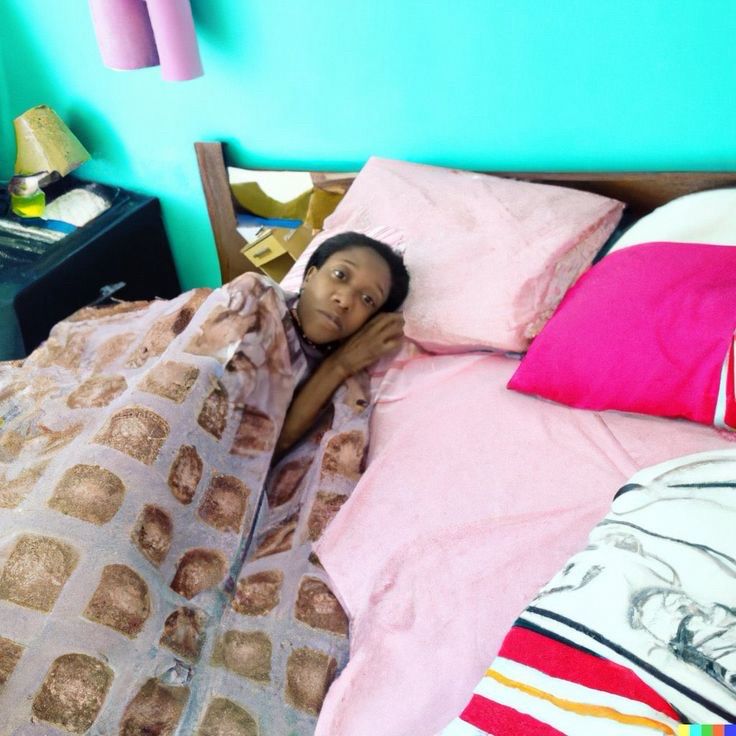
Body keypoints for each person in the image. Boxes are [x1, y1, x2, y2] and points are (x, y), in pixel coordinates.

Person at [275, 231, 410, 456]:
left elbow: (262, 452)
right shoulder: (257, 305)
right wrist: (339, 365)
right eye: (340, 274)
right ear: (309, 276)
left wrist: (340, 366)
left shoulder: (349, 390)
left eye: (368, 299)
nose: (345, 300)